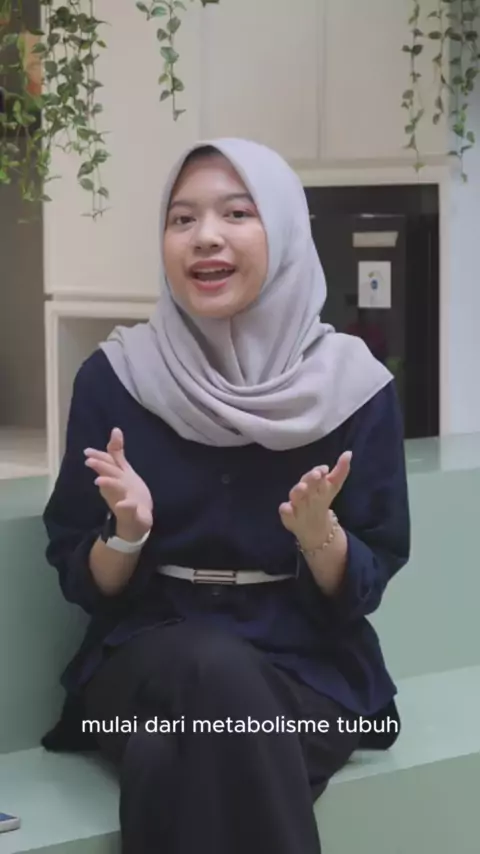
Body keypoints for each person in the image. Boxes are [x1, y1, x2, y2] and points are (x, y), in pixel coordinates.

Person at [41, 138, 410, 854]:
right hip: (145, 659)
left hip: (308, 672)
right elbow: (81, 581)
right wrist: (126, 533)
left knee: (169, 754)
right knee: (214, 669)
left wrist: (320, 538)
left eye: (237, 213)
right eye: (182, 219)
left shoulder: (354, 387)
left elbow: (369, 576)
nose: (205, 236)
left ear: (287, 231)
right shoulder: (115, 377)